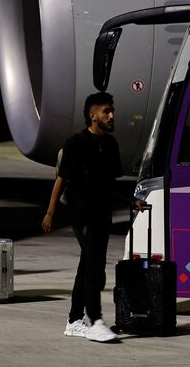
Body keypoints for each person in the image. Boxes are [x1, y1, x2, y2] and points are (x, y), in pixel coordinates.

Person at [42, 91, 123, 343]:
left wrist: (132, 201)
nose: (111, 115)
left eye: (112, 110)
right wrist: (50, 212)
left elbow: (110, 184)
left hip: (102, 215)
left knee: (88, 266)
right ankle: (95, 320)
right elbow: (61, 179)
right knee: (93, 268)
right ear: (92, 115)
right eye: (106, 111)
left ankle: (74, 321)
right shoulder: (76, 143)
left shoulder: (110, 145)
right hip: (82, 215)